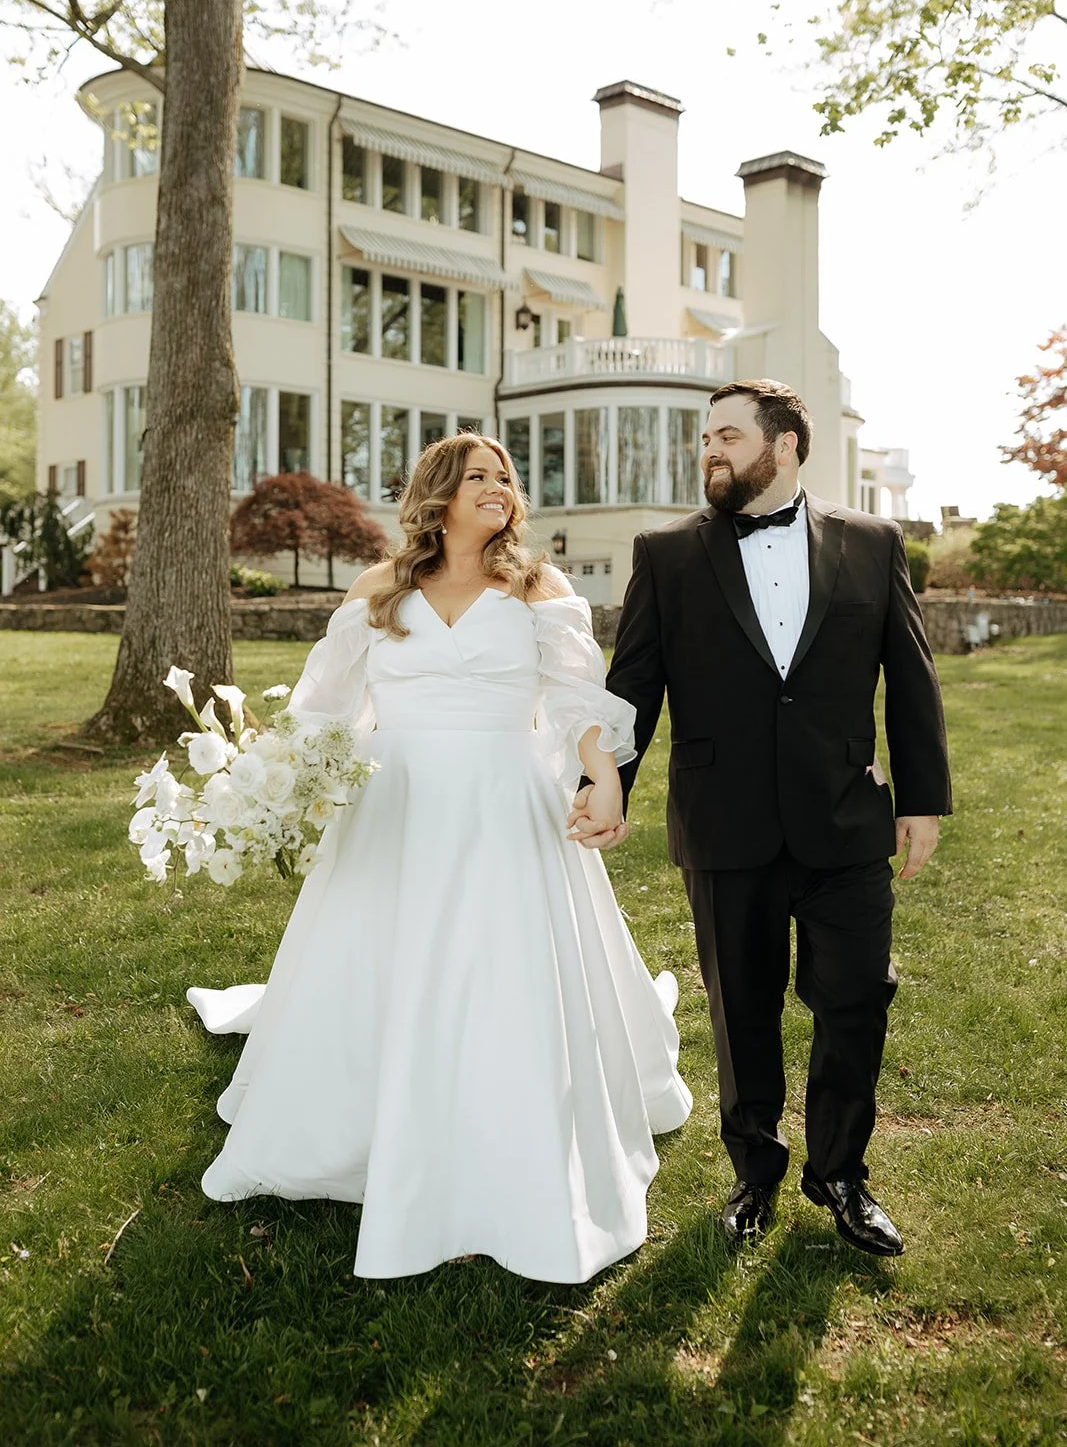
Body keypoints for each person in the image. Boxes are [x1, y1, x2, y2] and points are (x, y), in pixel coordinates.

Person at [187, 434, 692, 1283]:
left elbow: (576, 699)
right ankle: (361, 1122)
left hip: (505, 801)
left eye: (505, 478)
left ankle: (510, 1128)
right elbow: (323, 709)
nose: (499, 489)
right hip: (397, 804)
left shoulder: (539, 587)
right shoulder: (378, 592)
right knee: (384, 959)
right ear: (439, 493)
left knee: (503, 969)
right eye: (479, 477)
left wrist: (601, 777)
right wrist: (269, 788)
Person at [569, 380, 950, 1257]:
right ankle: (754, 1173)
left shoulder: (871, 541)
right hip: (724, 820)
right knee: (741, 1011)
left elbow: (911, 675)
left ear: (782, 448)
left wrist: (922, 798)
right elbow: (634, 683)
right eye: (706, 437)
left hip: (845, 816)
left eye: (729, 436)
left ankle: (841, 1174)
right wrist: (607, 779)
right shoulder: (664, 554)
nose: (710, 451)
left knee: (854, 998)